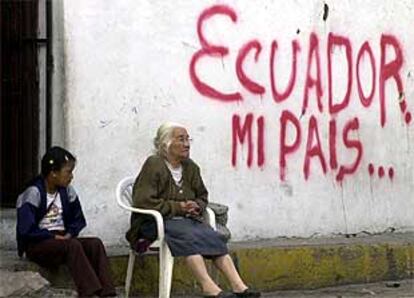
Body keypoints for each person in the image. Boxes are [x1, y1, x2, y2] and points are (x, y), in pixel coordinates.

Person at [126, 122, 260, 298]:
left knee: (212, 236)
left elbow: (202, 196)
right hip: (153, 223)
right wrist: (178, 207)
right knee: (187, 236)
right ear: (166, 143)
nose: (187, 144)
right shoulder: (154, 164)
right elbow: (143, 201)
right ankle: (209, 287)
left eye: (187, 139)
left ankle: (239, 286)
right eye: (181, 139)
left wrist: (197, 205)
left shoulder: (190, 167)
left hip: (185, 222)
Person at [16, 146, 116, 297]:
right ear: (53, 173)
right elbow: (26, 230)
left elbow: (78, 219)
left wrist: (70, 233)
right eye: (68, 172)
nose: (71, 176)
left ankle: (108, 293)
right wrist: (53, 237)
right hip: (38, 244)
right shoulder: (34, 193)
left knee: (95, 244)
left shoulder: (67, 191)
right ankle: (89, 292)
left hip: (63, 241)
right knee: (72, 245)